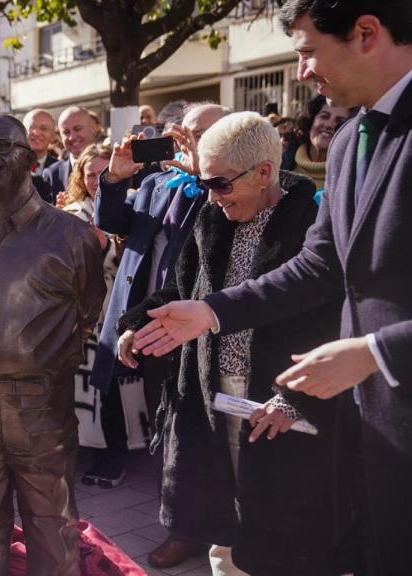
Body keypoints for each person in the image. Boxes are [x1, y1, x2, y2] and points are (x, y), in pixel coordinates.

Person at [130, 2, 412, 574]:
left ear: (366, 32)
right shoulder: (353, 137)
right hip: (366, 441)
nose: (303, 72)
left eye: (307, 52)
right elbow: (319, 268)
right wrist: (209, 312)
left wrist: (375, 352)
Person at [119, 112, 349, 576]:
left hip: (280, 408)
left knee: (286, 538)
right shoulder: (211, 217)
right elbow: (186, 289)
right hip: (213, 397)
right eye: (205, 182)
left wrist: (295, 400)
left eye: (221, 183)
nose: (211, 195)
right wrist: (139, 323)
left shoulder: (314, 224)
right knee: (223, 524)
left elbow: (335, 325)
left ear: (264, 172)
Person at [0, 115, 105, 575]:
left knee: (52, 526)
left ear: (31, 161)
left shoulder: (71, 235)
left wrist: (39, 361)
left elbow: (88, 311)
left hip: (40, 409)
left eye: (1, 148)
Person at [92, 102, 229, 568]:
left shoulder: (230, 186)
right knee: (164, 426)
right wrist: (113, 178)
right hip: (149, 324)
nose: (192, 143)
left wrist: (208, 178)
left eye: (206, 134)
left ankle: (197, 529)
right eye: (186, 134)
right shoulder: (155, 182)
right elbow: (113, 224)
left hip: (198, 327)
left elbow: (223, 241)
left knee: (195, 429)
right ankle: (179, 521)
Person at [281, 95, 352, 189]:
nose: (328, 125)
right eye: (324, 116)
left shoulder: (350, 181)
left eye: (340, 121)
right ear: (311, 121)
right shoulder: (280, 162)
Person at [43, 106, 102, 192]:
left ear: (93, 127)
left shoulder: (112, 165)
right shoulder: (52, 174)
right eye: (66, 132)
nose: (72, 137)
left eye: (77, 129)